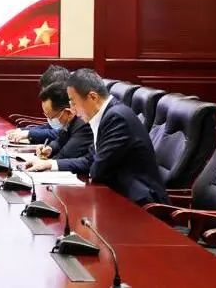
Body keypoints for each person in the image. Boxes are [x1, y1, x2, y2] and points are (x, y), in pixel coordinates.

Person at [24, 69, 169, 206]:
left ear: (93, 97)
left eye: (73, 102)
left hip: (142, 204)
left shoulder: (116, 118)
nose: (72, 109)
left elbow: (97, 170)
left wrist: (88, 165)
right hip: (119, 196)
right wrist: (50, 164)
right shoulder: (106, 115)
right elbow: (90, 161)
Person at [22, 82, 93, 163]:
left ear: (68, 112)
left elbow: (64, 156)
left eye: (51, 117)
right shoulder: (68, 121)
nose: (49, 120)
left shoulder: (84, 124)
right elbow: (60, 140)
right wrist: (50, 148)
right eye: (46, 116)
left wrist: (43, 163)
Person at [6, 65, 71, 144]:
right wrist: (23, 131)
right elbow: (50, 127)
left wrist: (30, 134)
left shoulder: (77, 105)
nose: (44, 94)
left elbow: (63, 133)